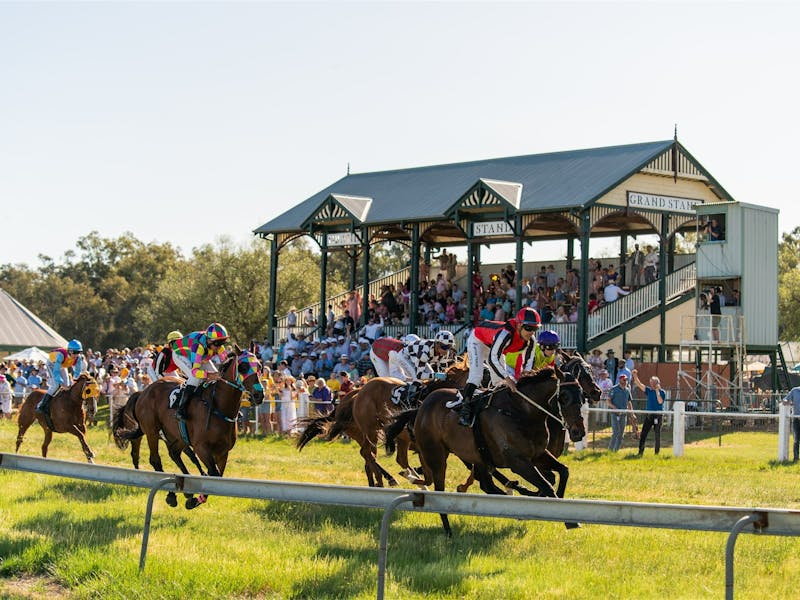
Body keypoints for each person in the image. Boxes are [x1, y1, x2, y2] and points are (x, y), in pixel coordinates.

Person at [459, 307, 541, 426]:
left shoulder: (531, 341)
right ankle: (464, 409)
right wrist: (508, 379)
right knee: (477, 375)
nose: (531, 332)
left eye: (535, 328)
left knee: (499, 381)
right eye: (528, 328)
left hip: (494, 346)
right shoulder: (505, 334)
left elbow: (528, 362)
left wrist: (525, 374)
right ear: (519, 325)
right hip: (478, 340)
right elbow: (493, 360)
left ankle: (495, 412)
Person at [171, 323, 229, 421]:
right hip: (180, 355)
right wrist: (209, 375)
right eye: (217, 344)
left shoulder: (216, 344)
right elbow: (195, 372)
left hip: (201, 356)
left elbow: (227, 361)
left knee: (218, 377)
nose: (220, 347)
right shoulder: (198, 347)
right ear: (209, 340)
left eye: (222, 343)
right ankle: (181, 409)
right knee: (196, 378)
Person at [35, 339, 86, 420]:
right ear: (70, 351)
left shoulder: (78, 358)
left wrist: (74, 380)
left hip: (62, 366)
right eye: (75, 352)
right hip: (52, 365)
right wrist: (61, 382)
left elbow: (77, 371)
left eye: (79, 352)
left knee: (68, 385)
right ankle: (41, 405)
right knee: (56, 385)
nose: (77, 355)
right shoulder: (61, 355)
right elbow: (56, 372)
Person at [631, 370, 666, 455]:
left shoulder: (662, 392)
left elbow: (660, 401)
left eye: (653, 382)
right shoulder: (649, 390)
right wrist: (635, 375)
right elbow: (639, 384)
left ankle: (656, 453)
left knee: (657, 435)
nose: (652, 384)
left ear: (657, 383)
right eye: (651, 382)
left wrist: (657, 391)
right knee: (643, 434)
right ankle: (640, 452)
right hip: (649, 415)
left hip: (658, 416)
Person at [608, 373, 634, 452]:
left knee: (621, 434)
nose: (625, 381)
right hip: (615, 414)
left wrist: (632, 413)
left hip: (623, 415)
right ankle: (610, 450)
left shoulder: (627, 390)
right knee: (615, 432)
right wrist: (615, 408)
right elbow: (608, 401)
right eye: (624, 380)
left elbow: (629, 403)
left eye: (626, 380)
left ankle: (616, 450)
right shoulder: (613, 389)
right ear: (620, 380)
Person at [782, 386, 800, 462]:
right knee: (796, 440)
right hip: (796, 419)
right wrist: (786, 401)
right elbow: (786, 399)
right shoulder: (794, 390)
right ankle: (796, 458)